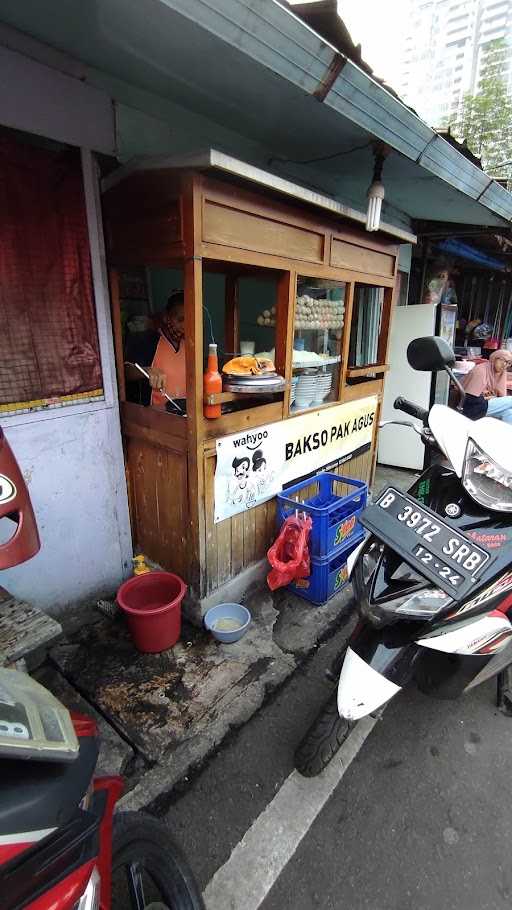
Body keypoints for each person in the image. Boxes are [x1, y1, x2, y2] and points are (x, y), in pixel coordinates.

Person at [124, 290, 186, 408]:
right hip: (157, 416)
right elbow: (126, 371)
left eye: (189, 320)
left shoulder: (190, 346)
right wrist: (146, 370)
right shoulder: (148, 342)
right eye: (180, 320)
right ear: (166, 317)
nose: (184, 326)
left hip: (184, 414)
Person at [462, 349, 512, 423]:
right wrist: (489, 397)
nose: (505, 365)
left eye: (508, 363)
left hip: (486, 406)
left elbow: (501, 396)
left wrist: (491, 397)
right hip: (472, 408)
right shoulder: (481, 370)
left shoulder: (501, 373)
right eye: (503, 360)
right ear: (494, 358)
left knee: (509, 413)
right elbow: (471, 399)